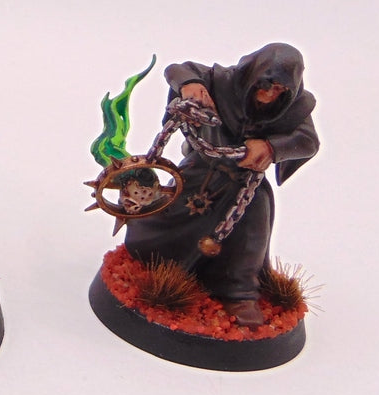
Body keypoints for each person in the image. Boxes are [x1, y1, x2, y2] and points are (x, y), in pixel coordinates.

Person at [122, 43, 318, 327]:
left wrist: (271, 147)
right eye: (265, 84)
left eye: (279, 89)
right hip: (201, 170)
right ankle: (153, 262)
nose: (270, 94)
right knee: (168, 216)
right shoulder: (222, 81)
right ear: (253, 74)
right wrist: (190, 85)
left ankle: (239, 294)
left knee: (250, 236)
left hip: (245, 183)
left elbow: (308, 141)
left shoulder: (295, 108)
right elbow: (178, 69)